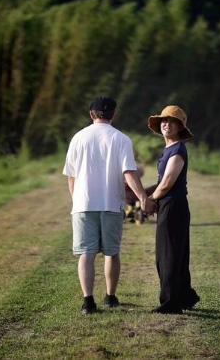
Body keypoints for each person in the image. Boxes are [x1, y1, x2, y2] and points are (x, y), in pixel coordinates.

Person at [63, 96, 154, 315]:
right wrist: (142, 197)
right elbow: (129, 173)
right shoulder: (121, 139)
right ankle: (110, 297)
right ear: (114, 114)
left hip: (83, 204)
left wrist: (77, 200)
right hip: (112, 203)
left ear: (91, 114)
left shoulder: (78, 137)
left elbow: (71, 176)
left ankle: (88, 301)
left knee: (87, 253)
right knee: (111, 252)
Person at [147, 105, 199, 314]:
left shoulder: (178, 149)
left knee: (168, 255)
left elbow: (168, 182)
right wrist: (141, 192)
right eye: (164, 121)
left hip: (174, 206)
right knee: (175, 254)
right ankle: (186, 296)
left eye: (172, 121)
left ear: (180, 127)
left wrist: (149, 199)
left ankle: (171, 303)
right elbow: (161, 181)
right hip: (169, 205)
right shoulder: (169, 149)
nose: (167, 124)